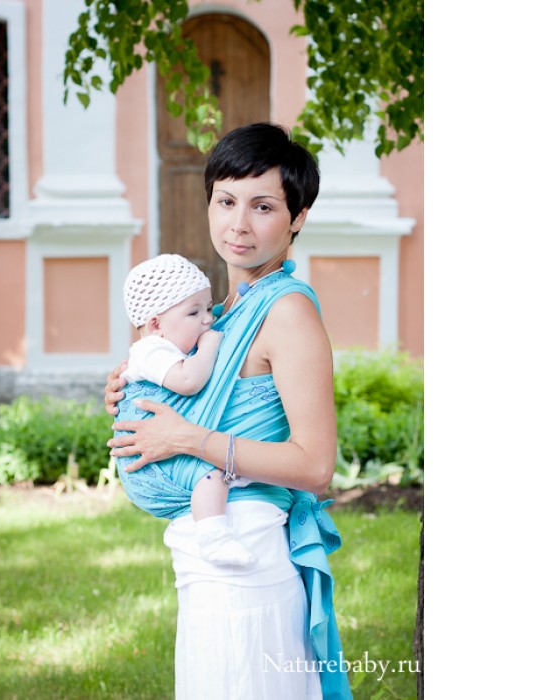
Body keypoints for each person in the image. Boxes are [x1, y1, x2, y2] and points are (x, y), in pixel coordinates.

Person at [106, 122, 352, 699]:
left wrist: (185, 439)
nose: (239, 223)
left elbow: (315, 466)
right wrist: (130, 387)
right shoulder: (217, 316)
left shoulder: (286, 313)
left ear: (297, 217)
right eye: (226, 201)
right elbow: (185, 393)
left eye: (263, 206)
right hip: (208, 559)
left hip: (247, 561)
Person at [121, 252, 256, 567]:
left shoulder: (167, 348)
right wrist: (210, 346)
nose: (207, 319)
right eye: (194, 312)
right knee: (211, 473)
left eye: (209, 308)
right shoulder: (151, 350)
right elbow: (189, 381)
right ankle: (213, 538)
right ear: (155, 324)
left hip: (159, 453)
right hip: (153, 468)